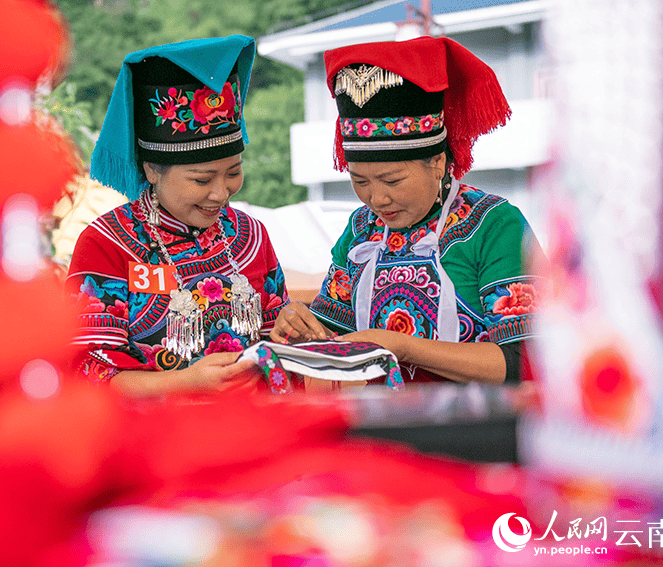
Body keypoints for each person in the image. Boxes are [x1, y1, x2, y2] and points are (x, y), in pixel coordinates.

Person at [270, 37, 546, 385]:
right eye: (360, 181)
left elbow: (528, 364)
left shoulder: (495, 225)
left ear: (438, 162)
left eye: (392, 180)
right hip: (378, 417)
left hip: (480, 419)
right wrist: (302, 325)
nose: (377, 199)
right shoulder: (361, 229)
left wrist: (403, 347)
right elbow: (332, 333)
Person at [67, 35, 289, 395]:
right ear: (152, 170)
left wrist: (291, 334)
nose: (221, 193)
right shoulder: (107, 244)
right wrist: (185, 383)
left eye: (233, 172)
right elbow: (86, 375)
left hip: (249, 421)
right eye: (202, 179)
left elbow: (276, 342)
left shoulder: (250, 235)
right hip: (155, 428)